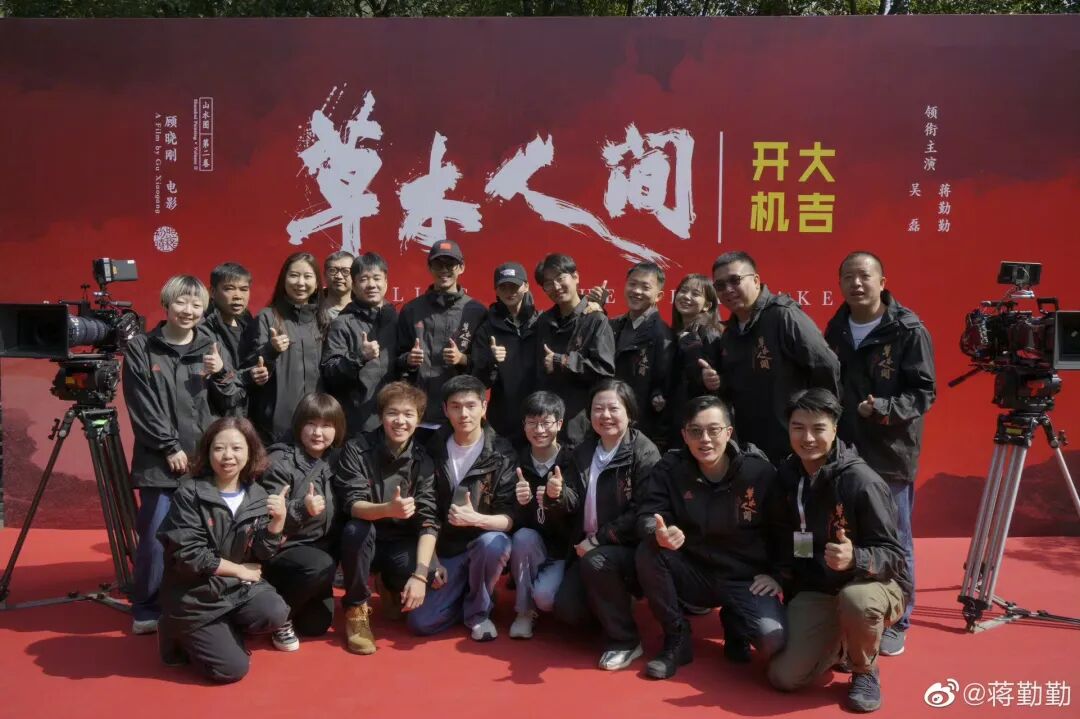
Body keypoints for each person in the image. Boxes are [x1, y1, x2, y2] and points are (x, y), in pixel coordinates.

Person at [767, 389, 911, 714]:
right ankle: (842, 644)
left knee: (856, 600)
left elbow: (895, 556)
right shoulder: (787, 475)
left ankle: (865, 670)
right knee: (783, 677)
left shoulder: (862, 482)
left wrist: (856, 558)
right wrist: (778, 576)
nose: (807, 438)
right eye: (798, 427)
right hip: (818, 587)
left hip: (871, 584)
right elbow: (781, 535)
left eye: (818, 428)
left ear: (834, 429)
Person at [824, 251, 935, 656]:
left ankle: (899, 619)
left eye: (864, 276)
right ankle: (855, 610)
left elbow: (923, 392)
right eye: (848, 277)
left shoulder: (908, 329)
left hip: (890, 451)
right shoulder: (837, 327)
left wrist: (885, 408)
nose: (856, 284)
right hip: (847, 450)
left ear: (882, 282)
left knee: (896, 536)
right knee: (846, 531)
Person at [123, 275, 244, 636]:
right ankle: (147, 607)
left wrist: (221, 374)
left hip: (205, 463)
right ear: (166, 304)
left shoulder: (211, 345)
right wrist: (168, 446)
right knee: (154, 537)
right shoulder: (142, 347)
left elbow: (232, 399)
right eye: (181, 302)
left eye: (196, 305)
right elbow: (142, 405)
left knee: (205, 537)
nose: (188, 311)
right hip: (160, 463)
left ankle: (199, 600)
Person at [636, 396, 787, 680]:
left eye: (713, 430)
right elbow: (648, 513)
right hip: (695, 572)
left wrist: (777, 574)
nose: (704, 439)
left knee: (773, 642)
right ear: (684, 435)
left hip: (744, 578)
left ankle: (736, 620)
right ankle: (677, 637)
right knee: (649, 551)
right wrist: (659, 531)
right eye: (695, 431)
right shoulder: (670, 469)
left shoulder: (759, 472)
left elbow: (782, 528)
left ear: (728, 432)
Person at [156, 417, 291, 683]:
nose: (228, 456)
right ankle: (174, 630)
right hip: (194, 593)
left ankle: (221, 629)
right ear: (208, 452)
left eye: (237, 448)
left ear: (250, 452)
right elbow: (189, 555)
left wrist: (277, 522)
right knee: (232, 670)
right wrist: (239, 570)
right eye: (219, 448)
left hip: (234, 588)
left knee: (275, 611)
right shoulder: (189, 493)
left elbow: (262, 553)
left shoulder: (257, 494)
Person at [553, 379, 661, 671]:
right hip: (587, 545)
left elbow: (643, 509)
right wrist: (557, 495)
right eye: (598, 409)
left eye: (614, 408)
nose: (605, 415)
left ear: (630, 412)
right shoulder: (584, 451)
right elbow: (572, 501)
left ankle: (625, 640)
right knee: (567, 612)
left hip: (626, 546)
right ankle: (613, 602)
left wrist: (599, 539)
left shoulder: (644, 452)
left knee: (597, 562)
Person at [332, 382, 439, 655]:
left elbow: (428, 520)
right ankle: (356, 607)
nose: (400, 421)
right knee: (356, 530)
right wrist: (388, 509)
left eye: (408, 414)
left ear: (419, 419)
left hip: (399, 539)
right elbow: (353, 505)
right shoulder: (357, 449)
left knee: (427, 576)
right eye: (393, 413)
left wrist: (421, 575)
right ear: (381, 416)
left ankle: (389, 584)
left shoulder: (423, 460)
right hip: (364, 536)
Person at [407, 375, 516, 641]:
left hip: (484, 543)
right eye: (455, 407)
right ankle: (471, 592)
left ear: (484, 407)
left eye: (470, 406)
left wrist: (475, 519)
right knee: (421, 623)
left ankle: (478, 613)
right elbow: (426, 510)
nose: (464, 414)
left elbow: (510, 518)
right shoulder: (432, 449)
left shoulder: (502, 453)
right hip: (447, 549)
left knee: (494, 544)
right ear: (445, 410)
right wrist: (432, 561)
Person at [706, 251, 840, 464]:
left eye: (735, 280)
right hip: (753, 448)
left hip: (794, 448)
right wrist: (718, 381)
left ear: (756, 280)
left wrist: (818, 418)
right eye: (720, 285)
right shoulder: (730, 333)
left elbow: (826, 366)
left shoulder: (784, 315)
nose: (728, 290)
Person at [257, 393, 345, 652]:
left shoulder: (337, 459)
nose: (318, 433)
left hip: (319, 549)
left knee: (316, 625)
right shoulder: (279, 462)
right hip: (284, 548)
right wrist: (301, 509)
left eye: (327, 425)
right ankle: (278, 615)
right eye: (311, 424)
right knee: (320, 565)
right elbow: (266, 517)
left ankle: (286, 600)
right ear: (299, 425)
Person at [396, 240, 487, 434]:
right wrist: (408, 359)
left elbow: (485, 365)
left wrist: (462, 359)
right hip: (418, 414)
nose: (444, 270)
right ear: (429, 268)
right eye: (438, 264)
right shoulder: (412, 310)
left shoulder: (476, 311)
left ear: (461, 267)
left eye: (450, 264)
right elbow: (396, 359)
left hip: (460, 416)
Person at [507, 391, 576, 639]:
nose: (539, 430)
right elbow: (510, 516)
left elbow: (579, 506)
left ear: (559, 424)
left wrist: (559, 496)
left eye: (546, 423)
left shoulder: (573, 459)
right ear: (523, 425)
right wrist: (520, 504)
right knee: (523, 537)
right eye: (532, 423)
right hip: (533, 547)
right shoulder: (516, 460)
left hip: (564, 552)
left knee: (546, 598)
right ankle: (524, 611)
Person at [242, 252, 326, 444]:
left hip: (316, 423)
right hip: (275, 426)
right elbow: (250, 367)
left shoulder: (322, 319)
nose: (300, 282)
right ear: (283, 280)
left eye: (307, 276)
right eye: (294, 275)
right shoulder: (267, 317)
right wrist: (270, 350)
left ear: (316, 284)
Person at [534, 253, 616, 446]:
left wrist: (562, 361)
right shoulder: (543, 321)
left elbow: (605, 371)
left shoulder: (595, 319)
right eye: (548, 283)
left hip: (581, 425)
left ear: (576, 277)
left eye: (560, 278)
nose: (556, 287)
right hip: (547, 424)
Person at [321, 252, 399, 436]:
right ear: (354, 286)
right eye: (364, 279)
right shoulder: (342, 323)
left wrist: (410, 362)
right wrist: (359, 357)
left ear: (386, 282)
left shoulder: (396, 320)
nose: (371, 284)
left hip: (395, 421)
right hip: (357, 424)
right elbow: (330, 373)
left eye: (377, 278)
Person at [602, 262, 675, 446]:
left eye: (645, 287)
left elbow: (663, 386)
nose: (636, 291)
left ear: (659, 296)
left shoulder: (663, 335)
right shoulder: (615, 324)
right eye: (632, 284)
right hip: (610, 417)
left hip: (640, 428)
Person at [471, 262, 539, 447]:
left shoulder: (542, 323)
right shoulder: (486, 329)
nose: (509, 292)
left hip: (539, 420)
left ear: (526, 286)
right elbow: (479, 382)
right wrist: (491, 361)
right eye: (503, 287)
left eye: (514, 286)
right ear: (496, 290)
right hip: (503, 423)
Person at [668, 274, 723, 447]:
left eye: (695, 294)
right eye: (683, 291)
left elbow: (711, 381)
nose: (686, 297)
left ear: (707, 306)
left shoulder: (709, 333)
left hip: (699, 423)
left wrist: (708, 379)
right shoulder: (676, 333)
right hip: (680, 418)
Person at [202, 262, 253, 377]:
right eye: (229, 289)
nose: (238, 296)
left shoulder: (249, 322)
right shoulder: (203, 327)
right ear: (213, 292)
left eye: (244, 289)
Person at [322, 250, 355, 321]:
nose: (339, 276)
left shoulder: (365, 311)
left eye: (346, 271)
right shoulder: (311, 309)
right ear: (325, 274)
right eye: (333, 270)